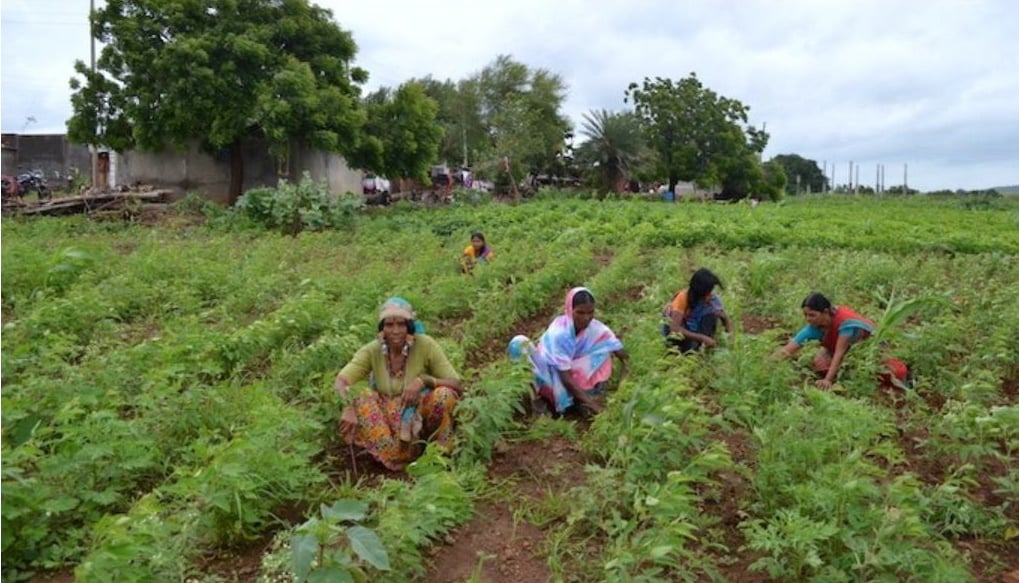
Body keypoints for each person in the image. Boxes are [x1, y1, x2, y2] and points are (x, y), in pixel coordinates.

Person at [334, 297, 463, 471]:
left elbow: (456, 383)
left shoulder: (425, 345)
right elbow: (341, 381)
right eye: (389, 325)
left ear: (410, 327)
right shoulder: (373, 350)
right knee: (360, 396)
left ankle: (436, 453)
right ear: (382, 328)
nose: (395, 331)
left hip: (418, 415)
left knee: (444, 395)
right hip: (387, 417)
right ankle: (399, 457)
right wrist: (347, 406)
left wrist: (424, 380)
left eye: (401, 324)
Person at [519, 287, 629, 417]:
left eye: (590, 312)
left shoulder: (594, 328)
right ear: (570, 311)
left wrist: (623, 383)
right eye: (580, 313)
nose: (586, 318)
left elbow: (622, 354)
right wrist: (593, 406)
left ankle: (583, 397)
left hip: (571, 372)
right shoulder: (560, 334)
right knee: (519, 344)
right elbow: (565, 377)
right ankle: (548, 401)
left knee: (602, 352)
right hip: (550, 373)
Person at [774, 292, 909, 390]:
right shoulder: (813, 328)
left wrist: (828, 380)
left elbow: (839, 353)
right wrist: (767, 363)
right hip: (843, 353)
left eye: (812, 315)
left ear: (825, 312)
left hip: (867, 352)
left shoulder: (845, 324)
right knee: (820, 365)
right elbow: (788, 350)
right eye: (806, 315)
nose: (808, 319)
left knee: (895, 372)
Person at [662, 268, 734, 353]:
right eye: (708, 292)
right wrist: (702, 338)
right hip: (680, 334)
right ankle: (686, 348)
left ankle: (698, 347)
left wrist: (730, 340)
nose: (711, 295)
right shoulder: (682, 298)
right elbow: (674, 328)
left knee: (711, 316)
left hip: (696, 330)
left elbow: (725, 319)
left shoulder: (713, 299)